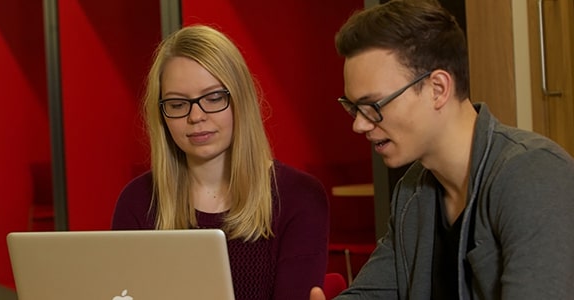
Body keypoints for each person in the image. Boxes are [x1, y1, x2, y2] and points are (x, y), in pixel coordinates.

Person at [310, 0, 574, 299]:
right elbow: (372, 292)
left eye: (373, 106)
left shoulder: (534, 173)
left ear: (437, 88)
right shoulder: (412, 192)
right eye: (354, 108)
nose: (359, 125)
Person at [110, 24, 329, 300]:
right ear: (162, 115)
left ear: (241, 99)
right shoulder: (137, 201)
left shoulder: (299, 197)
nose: (196, 116)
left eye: (213, 98)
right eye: (177, 104)